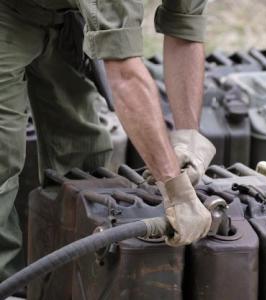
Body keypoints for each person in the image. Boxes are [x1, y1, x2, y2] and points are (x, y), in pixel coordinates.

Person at [0, 0, 215, 281]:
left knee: (84, 158)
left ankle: (67, 283)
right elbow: (125, 74)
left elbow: (184, 29)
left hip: (67, 16)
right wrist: (174, 187)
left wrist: (187, 137)